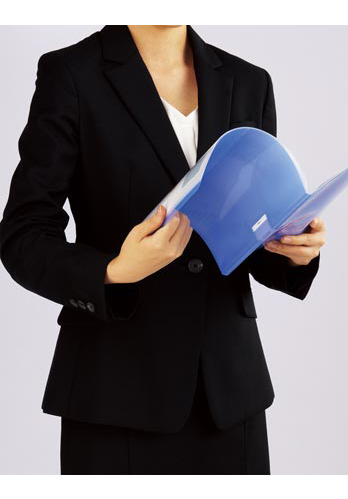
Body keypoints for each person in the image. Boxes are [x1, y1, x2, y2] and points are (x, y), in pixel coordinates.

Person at [0, 25, 325, 474]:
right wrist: (113, 271)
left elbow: (247, 232)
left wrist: (294, 249)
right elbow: (23, 234)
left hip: (229, 396)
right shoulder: (71, 74)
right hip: (115, 392)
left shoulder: (249, 81)